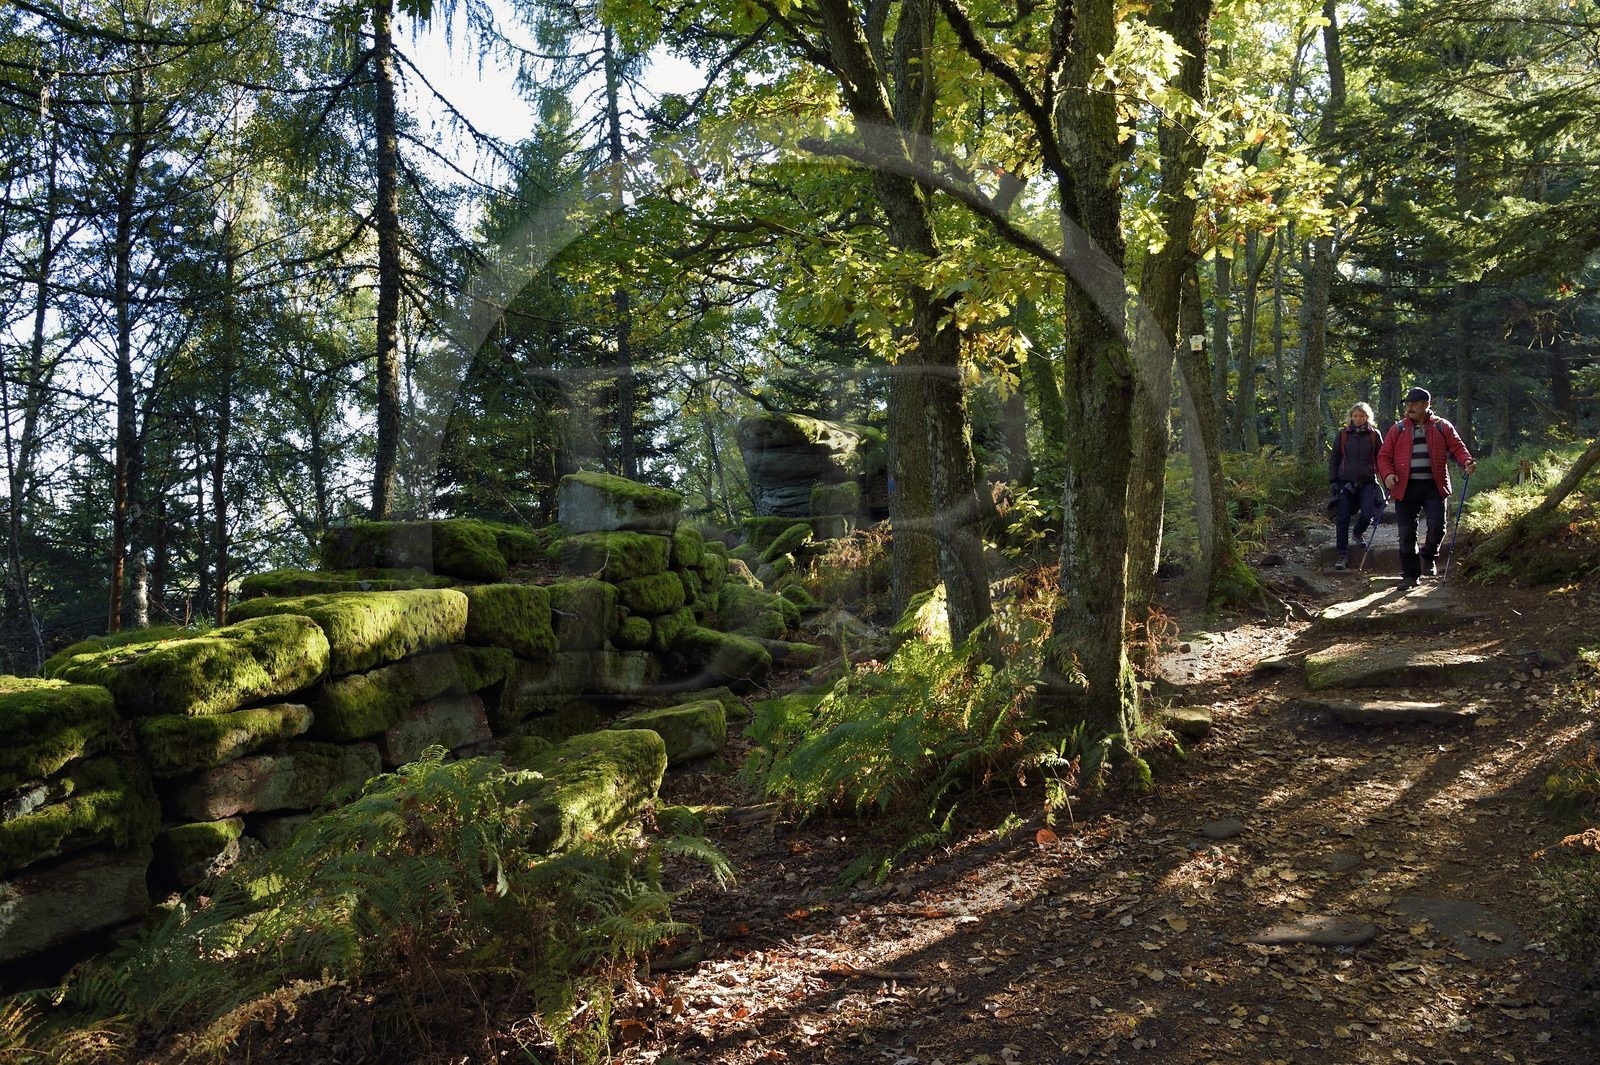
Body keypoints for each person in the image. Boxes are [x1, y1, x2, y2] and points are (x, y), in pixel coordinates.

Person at [1377, 387, 1477, 590]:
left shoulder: (1442, 426)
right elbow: (1384, 456)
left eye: (1414, 403)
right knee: (1406, 533)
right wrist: (1387, 475)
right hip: (1405, 487)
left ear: (1426, 404)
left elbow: (1458, 447)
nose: (1410, 407)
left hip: (1434, 486)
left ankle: (1429, 556)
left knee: (1438, 527)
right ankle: (1410, 575)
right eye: (1408, 404)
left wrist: (1466, 461)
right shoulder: (1398, 429)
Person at [1328, 401, 1384, 570]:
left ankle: (1358, 533)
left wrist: (1387, 478)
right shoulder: (1343, 435)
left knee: (1367, 515)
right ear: (1350, 417)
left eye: (1362, 416)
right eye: (1355, 416)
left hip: (1367, 482)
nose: (1358, 419)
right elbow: (1334, 458)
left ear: (1368, 417)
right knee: (1343, 518)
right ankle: (1342, 555)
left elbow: (1381, 458)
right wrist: (1333, 482)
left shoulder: (1374, 435)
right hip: (1345, 482)